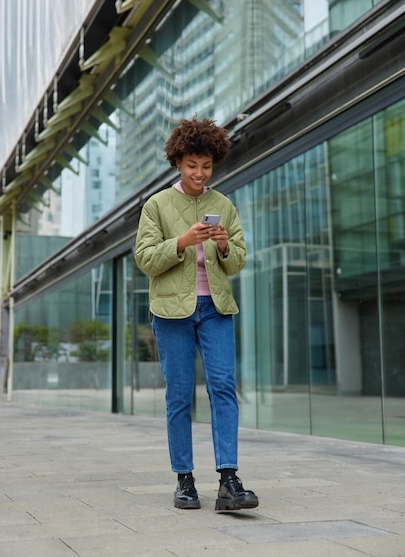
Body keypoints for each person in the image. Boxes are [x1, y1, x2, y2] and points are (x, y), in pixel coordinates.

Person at [134, 116, 258, 512]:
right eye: (192, 166)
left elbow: (237, 260)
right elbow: (145, 259)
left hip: (216, 308)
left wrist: (223, 246)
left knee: (223, 386)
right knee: (179, 395)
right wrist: (183, 242)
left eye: (206, 166)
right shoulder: (157, 205)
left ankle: (228, 479)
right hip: (172, 312)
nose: (200, 173)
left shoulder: (223, 205)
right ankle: (184, 480)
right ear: (177, 163)